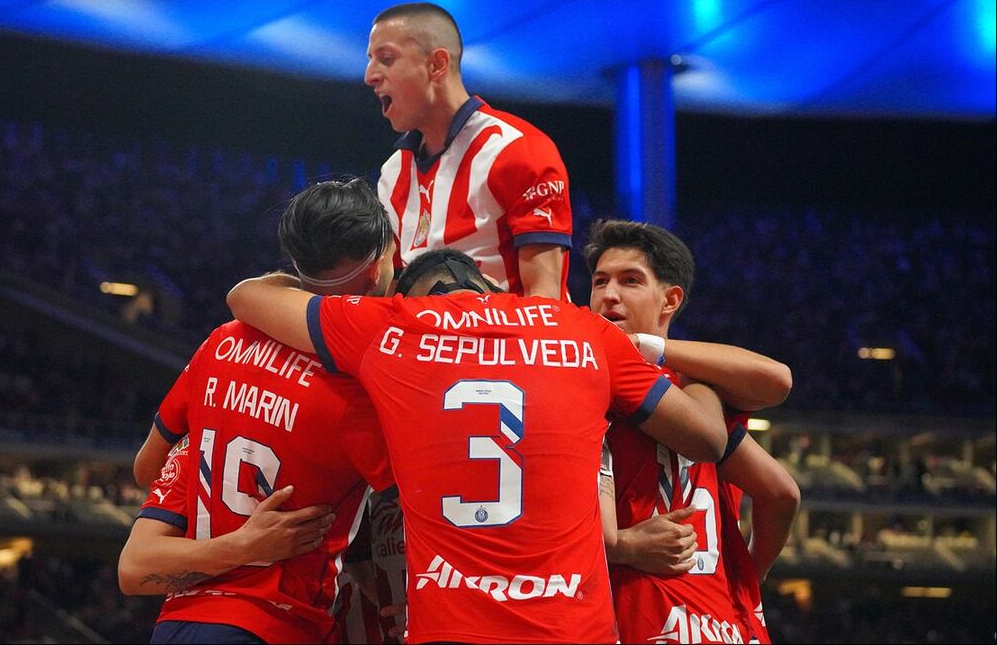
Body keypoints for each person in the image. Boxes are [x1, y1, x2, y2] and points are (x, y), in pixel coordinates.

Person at [226, 247, 729, 643]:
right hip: (571, 628)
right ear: (490, 285)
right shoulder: (582, 330)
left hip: (452, 628)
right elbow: (707, 439)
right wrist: (703, 384)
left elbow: (246, 296)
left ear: (408, 299)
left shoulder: (391, 328)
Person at [119, 178, 400, 644]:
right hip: (273, 624)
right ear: (376, 268)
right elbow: (420, 500)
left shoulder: (223, 339)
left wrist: (212, 446)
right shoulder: (358, 384)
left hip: (177, 624)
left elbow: (147, 468)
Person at [584, 219, 800, 644]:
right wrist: (746, 580)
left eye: (630, 281)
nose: (609, 294)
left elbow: (780, 381)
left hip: (635, 622)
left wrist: (645, 347)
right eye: (599, 281)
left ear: (670, 300)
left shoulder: (596, 387)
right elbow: (781, 494)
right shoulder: (700, 391)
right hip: (723, 626)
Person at [365, 2, 572, 299]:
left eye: (386, 59)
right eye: (371, 60)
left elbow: (545, 300)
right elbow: (391, 295)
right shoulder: (393, 172)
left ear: (437, 64)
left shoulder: (517, 149)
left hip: (506, 330)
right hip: (419, 329)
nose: (369, 75)